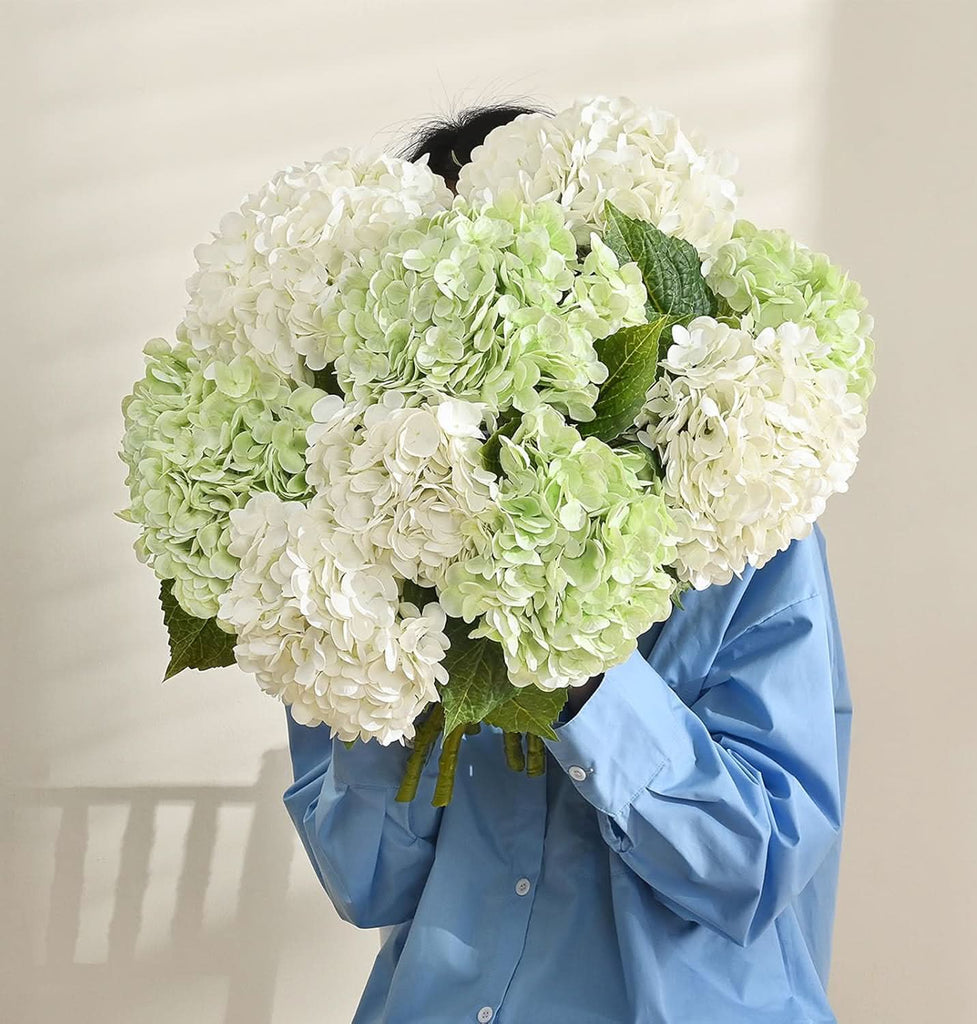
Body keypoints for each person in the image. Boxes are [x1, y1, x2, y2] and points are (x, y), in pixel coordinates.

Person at [282, 105, 853, 1024]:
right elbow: (367, 884)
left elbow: (755, 866)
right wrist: (385, 649)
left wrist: (579, 670)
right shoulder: (358, 542)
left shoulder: (746, 523)